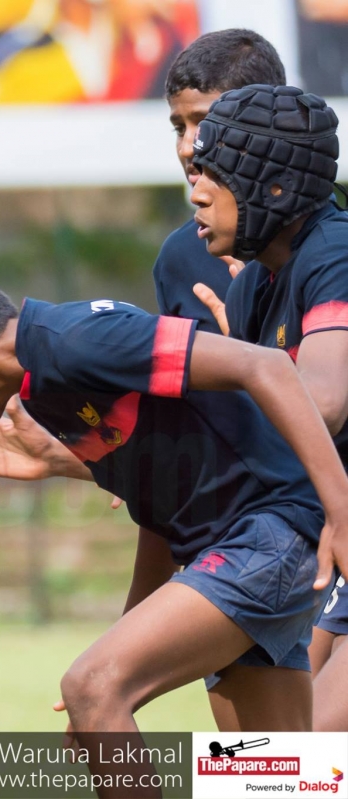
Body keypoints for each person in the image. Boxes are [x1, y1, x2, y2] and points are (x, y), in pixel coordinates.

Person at [0, 254, 348, 794]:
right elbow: (159, 513)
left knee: (90, 682)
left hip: (270, 532)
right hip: (241, 549)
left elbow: (267, 367)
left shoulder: (79, 339)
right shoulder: (43, 387)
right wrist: (112, 684)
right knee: (278, 778)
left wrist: (342, 512)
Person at [185, 83, 348, 728]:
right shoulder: (254, 281)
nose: (196, 193)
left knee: (314, 753)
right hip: (322, 533)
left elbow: (325, 402)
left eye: (214, 175)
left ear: (274, 188)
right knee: (265, 756)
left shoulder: (335, 252)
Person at [155, 28, 286, 331]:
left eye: (206, 124)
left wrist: (250, 350)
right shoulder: (180, 256)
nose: (187, 148)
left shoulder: (328, 245)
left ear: (266, 124)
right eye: (179, 129)